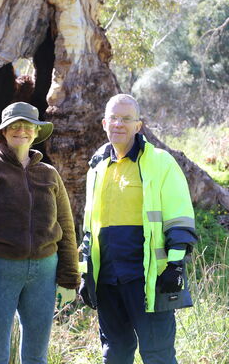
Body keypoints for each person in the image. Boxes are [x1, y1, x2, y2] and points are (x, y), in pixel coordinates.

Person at [79, 94, 197, 364]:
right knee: (115, 354)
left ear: (138, 125)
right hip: (108, 279)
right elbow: (89, 228)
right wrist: (87, 273)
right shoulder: (97, 167)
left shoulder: (161, 162)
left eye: (126, 119)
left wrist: (175, 265)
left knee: (157, 354)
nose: (119, 124)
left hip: (149, 279)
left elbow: (179, 217)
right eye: (114, 119)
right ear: (104, 123)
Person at [0, 102, 80, 364]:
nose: (21, 131)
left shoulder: (48, 173)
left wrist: (70, 278)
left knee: (37, 356)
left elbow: (66, 227)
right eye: (14, 126)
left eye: (28, 126)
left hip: (44, 273)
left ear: (36, 133)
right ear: (3, 132)